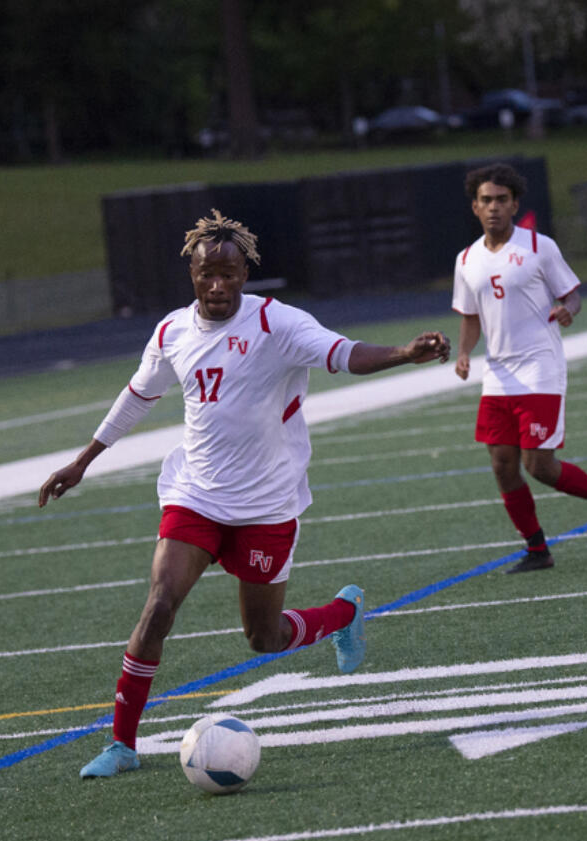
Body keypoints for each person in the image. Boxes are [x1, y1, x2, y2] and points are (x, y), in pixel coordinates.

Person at [39, 209, 451, 777]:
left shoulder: (276, 324)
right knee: (159, 606)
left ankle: (344, 612)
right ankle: (122, 745)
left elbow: (342, 353)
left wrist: (403, 354)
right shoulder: (171, 332)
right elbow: (138, 394)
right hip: (195, 498)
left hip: (265, 506)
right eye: (208, 273)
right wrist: (84, 460)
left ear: (245, 273)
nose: (218, 285)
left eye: (229, 274)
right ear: (192, 272)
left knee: (264, 637)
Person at [452, 163, 587, 573]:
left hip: (539, 369)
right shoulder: (466, 259)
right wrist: (464, 353)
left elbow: (573, 295)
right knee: (501, 465)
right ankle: (537, 549)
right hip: (497, 375)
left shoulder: (539, 247)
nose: (493, 207)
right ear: (475, 207)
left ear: (514, 204)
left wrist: (566, 310)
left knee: (539, 466)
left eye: (501, 200)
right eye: (485, 201)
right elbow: (470, 316)